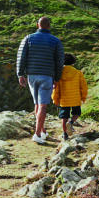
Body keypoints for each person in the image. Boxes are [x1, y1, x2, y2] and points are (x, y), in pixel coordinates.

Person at [16, 16, 64, 145]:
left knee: (37, 104)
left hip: (32, 75)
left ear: (38, 25)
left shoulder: (28, 38)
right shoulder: (56, 41)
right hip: (47, 76)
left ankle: (42, 131)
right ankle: (37, 134)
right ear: (49, 26)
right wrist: (57, 78)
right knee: (43, 105)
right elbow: (59, 62)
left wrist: (20, 74)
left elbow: (21, 56)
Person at [52, 53, 88, 141]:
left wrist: (55, 99)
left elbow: (56, 88)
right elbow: (84, 87)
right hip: (75, 99)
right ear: (73, 63)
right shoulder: (78, 73)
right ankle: (71, 122)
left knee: (64, 117)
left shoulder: (59, 74)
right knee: (77, 113)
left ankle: (64, 134)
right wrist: (83, 97)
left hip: (64, 100)